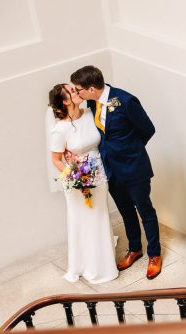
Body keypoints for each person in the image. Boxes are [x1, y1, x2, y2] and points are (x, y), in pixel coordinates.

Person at [70, 66, 162, 279]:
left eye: (79, 89)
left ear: (91, 88)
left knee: (145, 210)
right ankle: (135, 249)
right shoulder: (92, 103)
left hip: (133, 167)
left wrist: (130, 150)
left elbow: (148, 129)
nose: (77, 94)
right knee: (126, 211)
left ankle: (154, 254)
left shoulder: (127, 100)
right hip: (110, 169)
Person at [47, 84, 119, 284]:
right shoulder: (59, 130)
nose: (76, 92)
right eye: (71, 92)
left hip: (99, 174)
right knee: (83, 220)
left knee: (100, 215)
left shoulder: (90, 113)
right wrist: (75, 177)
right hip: (79, 178)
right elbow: (56, 160)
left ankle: (104, 261)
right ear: (65, 101)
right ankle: (87, 265)